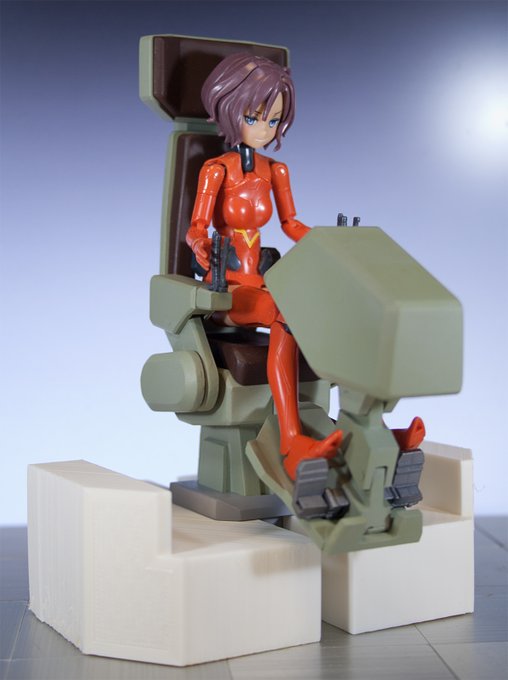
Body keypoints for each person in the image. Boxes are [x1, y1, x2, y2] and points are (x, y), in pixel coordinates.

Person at [186, 52, 344, 483]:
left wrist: (333, 244)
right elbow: (196, 227)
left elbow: (291, 224)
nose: (263, 129)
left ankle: (362, 425)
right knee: (284, 311)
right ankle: (291, 441)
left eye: (273, 120)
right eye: (254, 117)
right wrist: (201, 244)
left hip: (263, 283)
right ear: (229, 109)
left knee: (331, 308)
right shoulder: (215, 171)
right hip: (229, 291)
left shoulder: (277, 171)